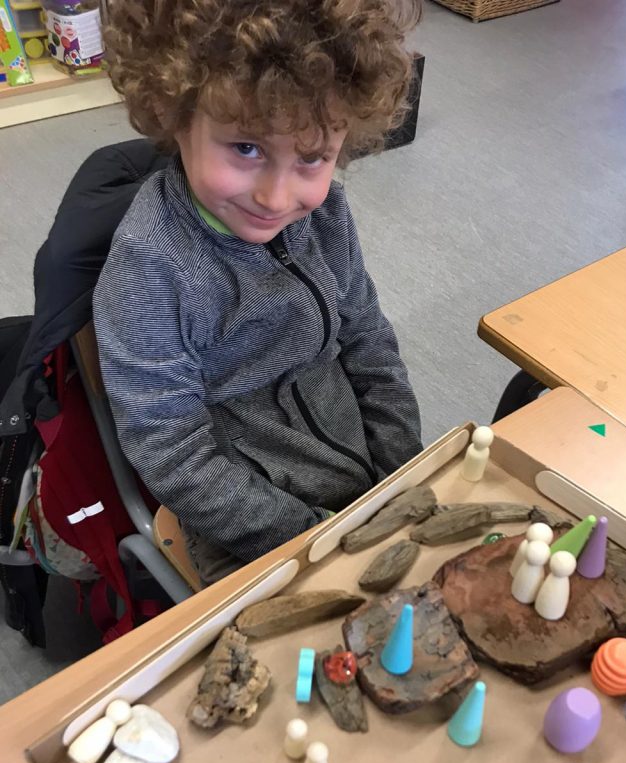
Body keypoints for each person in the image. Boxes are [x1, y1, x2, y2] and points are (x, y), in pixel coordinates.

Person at [93, 0, 423, 585]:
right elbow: (174, 452)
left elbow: (369, 342)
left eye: (312, 157)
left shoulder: (325, 214)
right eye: (247, 148)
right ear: (173, 113)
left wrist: (402, 469)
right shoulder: (149, 268)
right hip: (247, 521)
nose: (275, 198)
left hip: (361, 467)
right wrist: (313, 536)